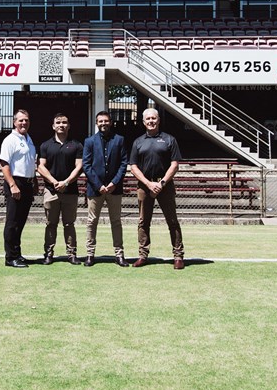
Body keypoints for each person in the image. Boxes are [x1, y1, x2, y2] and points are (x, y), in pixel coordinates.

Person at [128, 108, 185, 270]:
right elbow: (133, 167)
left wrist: (162, 183)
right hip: (144, 187)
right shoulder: (138, 142)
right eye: (148, 119)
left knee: (172, 221)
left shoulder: (169, 140)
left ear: (159, 120)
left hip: (164, 186)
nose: (151, 121)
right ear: (143, 122)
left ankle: (178, 256)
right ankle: (143, 255)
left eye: (154, 118)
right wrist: (148, 184)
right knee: (143, 222)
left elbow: (175, 165)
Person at [82, 110, 129, 267]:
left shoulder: (120, 140)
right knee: (92, 221)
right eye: (100, 121)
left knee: (116, 221)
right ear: (96, 123)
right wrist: (99, 185)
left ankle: (119, 254)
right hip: (95, 189)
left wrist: (114, 183)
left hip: (114, 189)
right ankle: (90, 254)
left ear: (111, 122)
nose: (103, 123)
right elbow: (86, 165)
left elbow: (124, 164)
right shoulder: (89, 141)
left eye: (106, 121)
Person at [37, 113, 84, 265]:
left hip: (70, 192)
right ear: (53, 126)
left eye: (64, 122)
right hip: (51, 191)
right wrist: (55, 182)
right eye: (58, 122)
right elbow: (41, 166)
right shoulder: (45, 145)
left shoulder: (76, 145)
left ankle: (71, 254)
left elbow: (79, 166)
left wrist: (66, 182)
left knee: (69, 224)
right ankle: (48, 254)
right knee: (51, 224)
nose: (61, 125)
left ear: (69, 125)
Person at [0, 109, 36, 268]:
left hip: (27, 183)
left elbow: (29, 163)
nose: (24, 123)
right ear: (14, 122)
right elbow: (4, 164)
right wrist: (12, 185)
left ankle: (17, 254)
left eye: (26, 120)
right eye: (20, 120)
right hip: (16, 183)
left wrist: (35, 182)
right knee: (12, 222)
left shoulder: (28, 139)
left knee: (20, 222)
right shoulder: (10, 140)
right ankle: (10, 258)